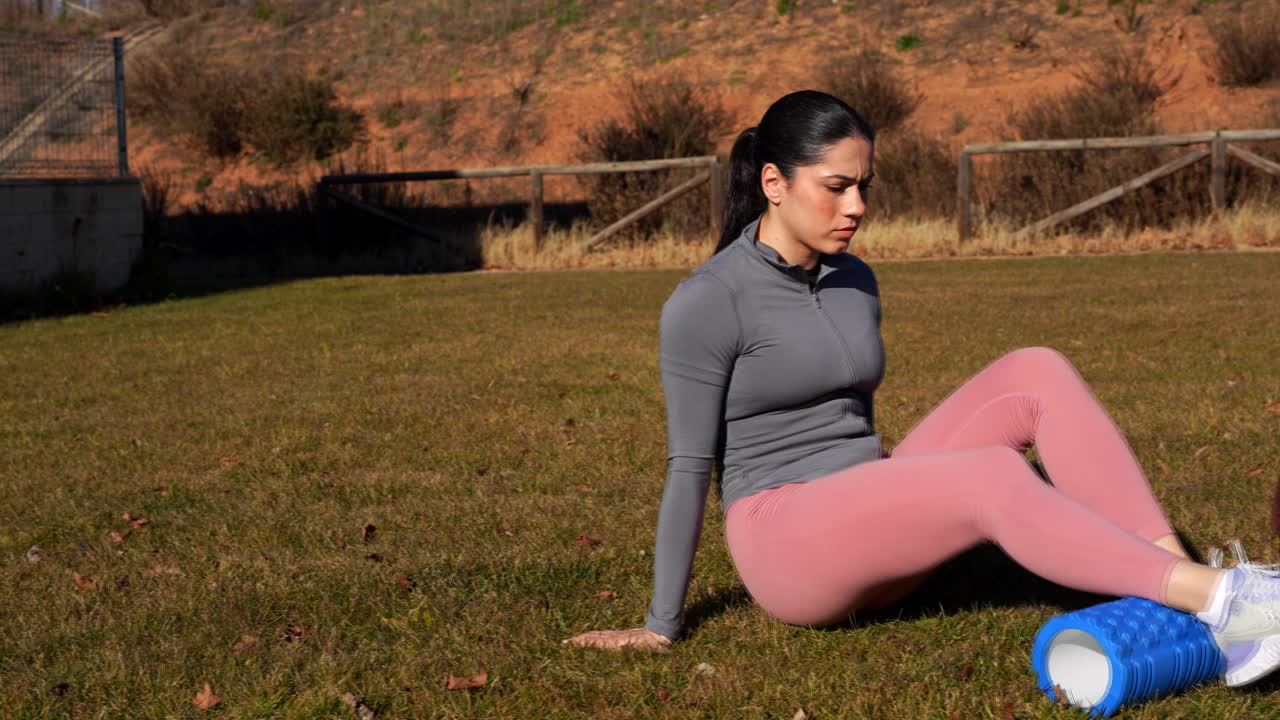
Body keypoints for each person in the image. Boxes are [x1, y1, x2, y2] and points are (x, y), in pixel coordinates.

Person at [562, 90, 1280, 688]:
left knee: (1035, 370)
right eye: (836, 187)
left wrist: (895, 491)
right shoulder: (707, 301)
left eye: (864, 186)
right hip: (786, 542)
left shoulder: (855, 279)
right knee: (992, 474)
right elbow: (690, 467)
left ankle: (1183, 583)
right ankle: (1230, 600)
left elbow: (850, 421)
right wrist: (660, 625)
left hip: (868, 512)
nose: (857, 206)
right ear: (774, 183)